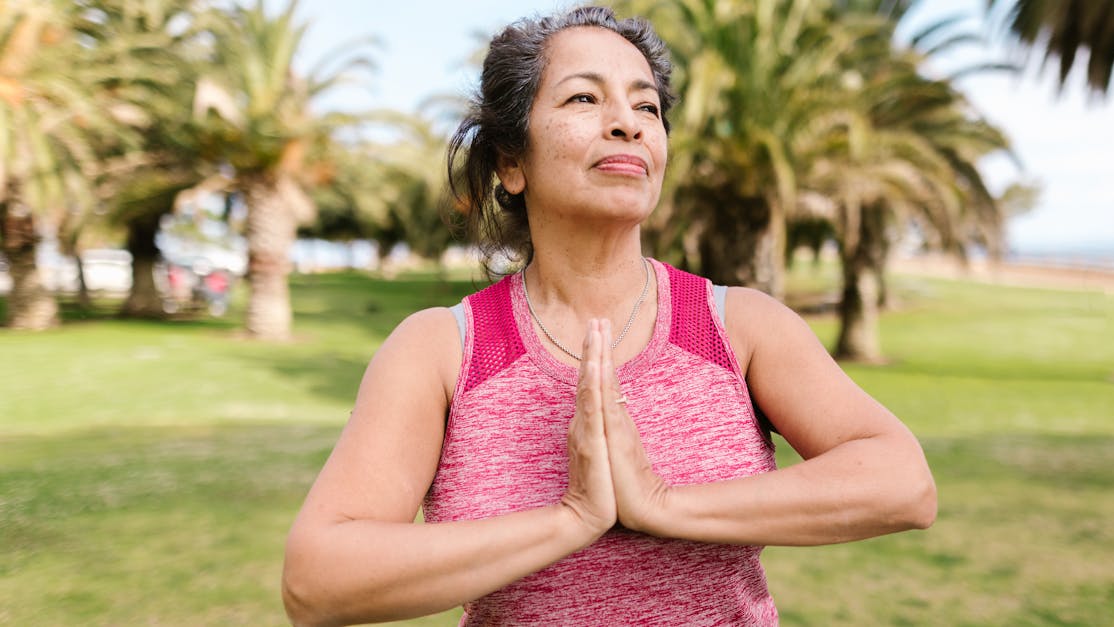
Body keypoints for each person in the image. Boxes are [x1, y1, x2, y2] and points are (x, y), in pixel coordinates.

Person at [282, 6, 936, 626]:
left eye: (645, 105)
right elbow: (317, 579)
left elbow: (904, 482)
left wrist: (658, 502)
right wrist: (571, 517)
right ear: (512, 162)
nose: (627, 122)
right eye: (583, 98)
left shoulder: (740, 327)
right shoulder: (441, 349)